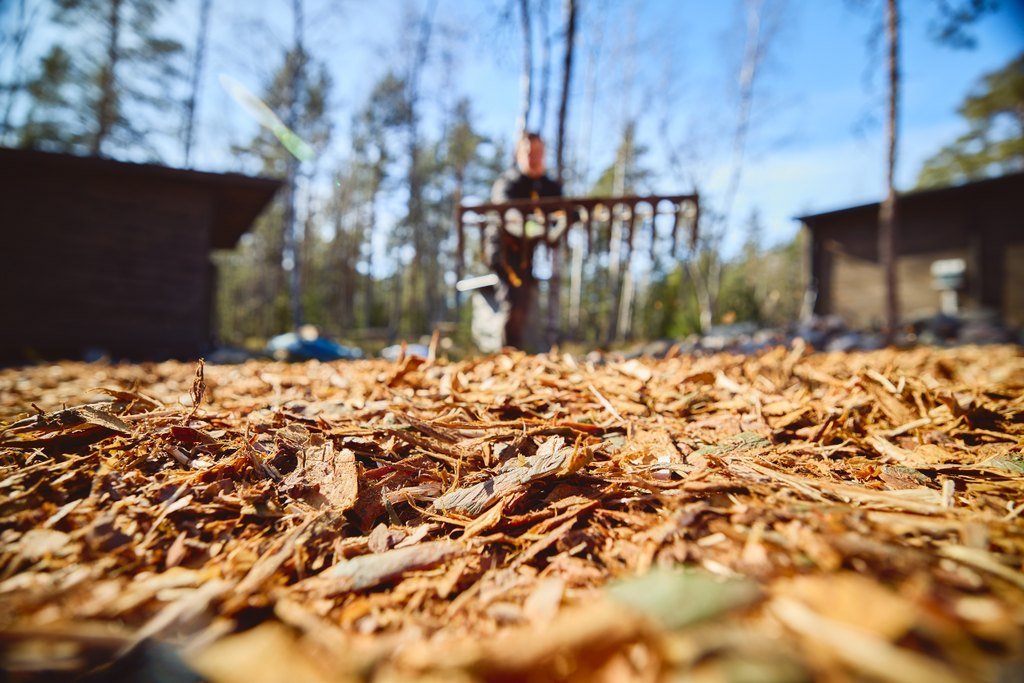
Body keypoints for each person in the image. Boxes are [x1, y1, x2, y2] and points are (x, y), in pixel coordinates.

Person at [480, 132, 563, 350]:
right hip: (503, 252)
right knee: (514, 301)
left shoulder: (547, 186)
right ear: (518, 155)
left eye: (538, 152)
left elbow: (563, 211)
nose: (534, 157)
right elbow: (510, 216)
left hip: (526, 254)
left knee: (524, 302)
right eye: (528, 152)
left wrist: (567, 220)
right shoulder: (508, 183)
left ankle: (516, 351)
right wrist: (538, 228)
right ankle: (508, 354)